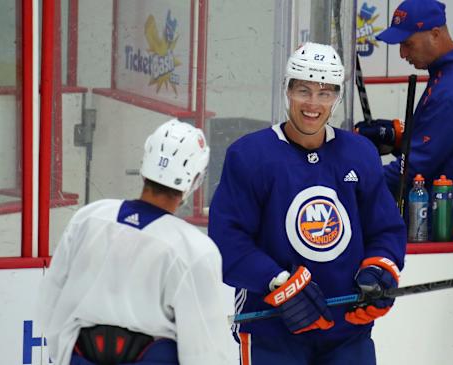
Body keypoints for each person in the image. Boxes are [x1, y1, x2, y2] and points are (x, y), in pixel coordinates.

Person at [208, 42, 407, 365]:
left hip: (346, 332)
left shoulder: (359, 153)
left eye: (325, 93)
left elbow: (385, 229)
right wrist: (279, 282)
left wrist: (380, 269)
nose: (313, 104)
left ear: (337, 98)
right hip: (271, 330)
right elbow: (227, 244)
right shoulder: (249, 155)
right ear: (287, 91)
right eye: (304, 90)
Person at [36, 119, 235, 365]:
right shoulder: (194, 249)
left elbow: (50, 305)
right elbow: (206, 354)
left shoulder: (89, 218)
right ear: (195, 180)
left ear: (144, 165)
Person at [355, 0, 453, 228]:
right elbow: (440, 145)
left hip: (446, 232)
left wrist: (352, 181)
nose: (402, 54)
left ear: (434, 34)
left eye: (407, 44)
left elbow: (412, 167)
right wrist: (397, 137)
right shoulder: (450, 75)